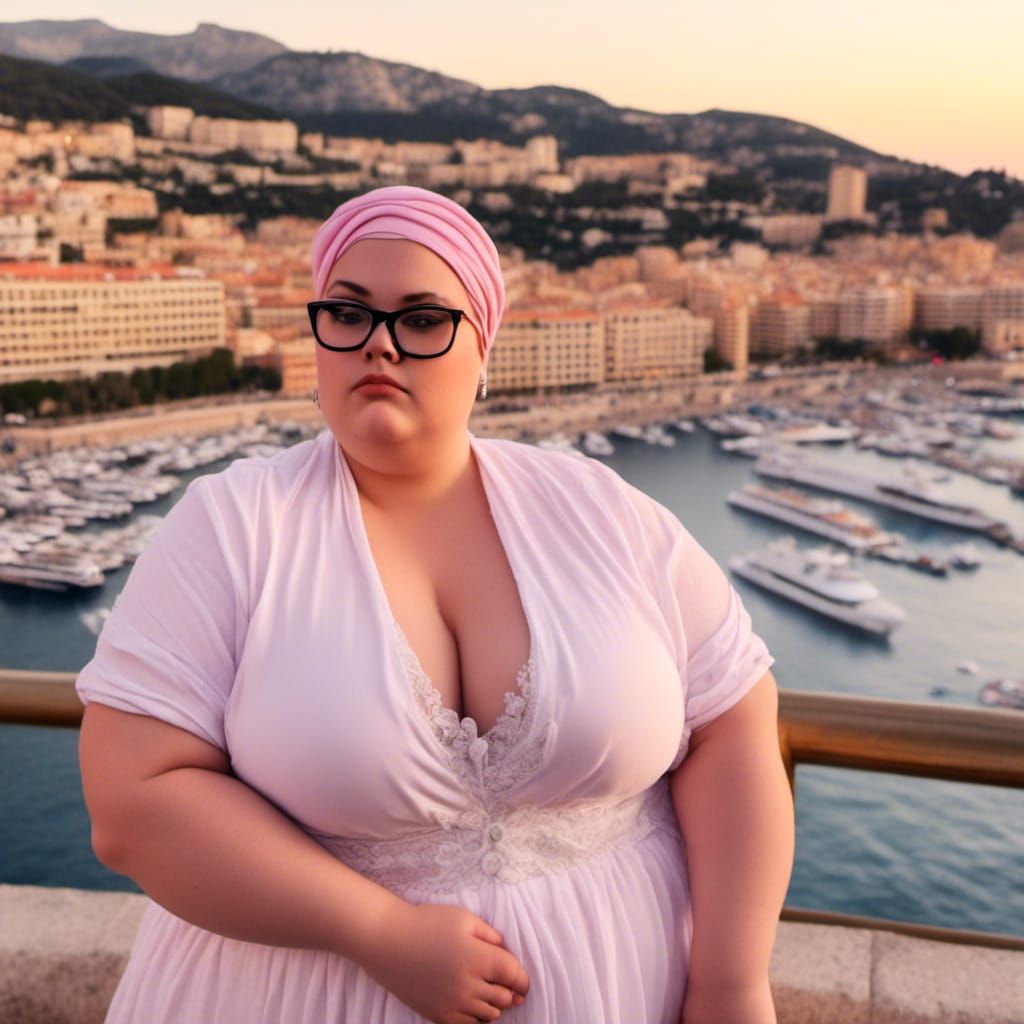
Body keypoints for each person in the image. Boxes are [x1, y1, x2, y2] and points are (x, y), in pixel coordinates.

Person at [77, 185, 794, 1024]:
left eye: (422, 320)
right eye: (347, 313)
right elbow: (132, 801)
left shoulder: (603, 511)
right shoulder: (232, 528)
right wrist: (375, 932)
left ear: (481, 347)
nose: (379, 346)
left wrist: (730, 981)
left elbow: (734, 722)